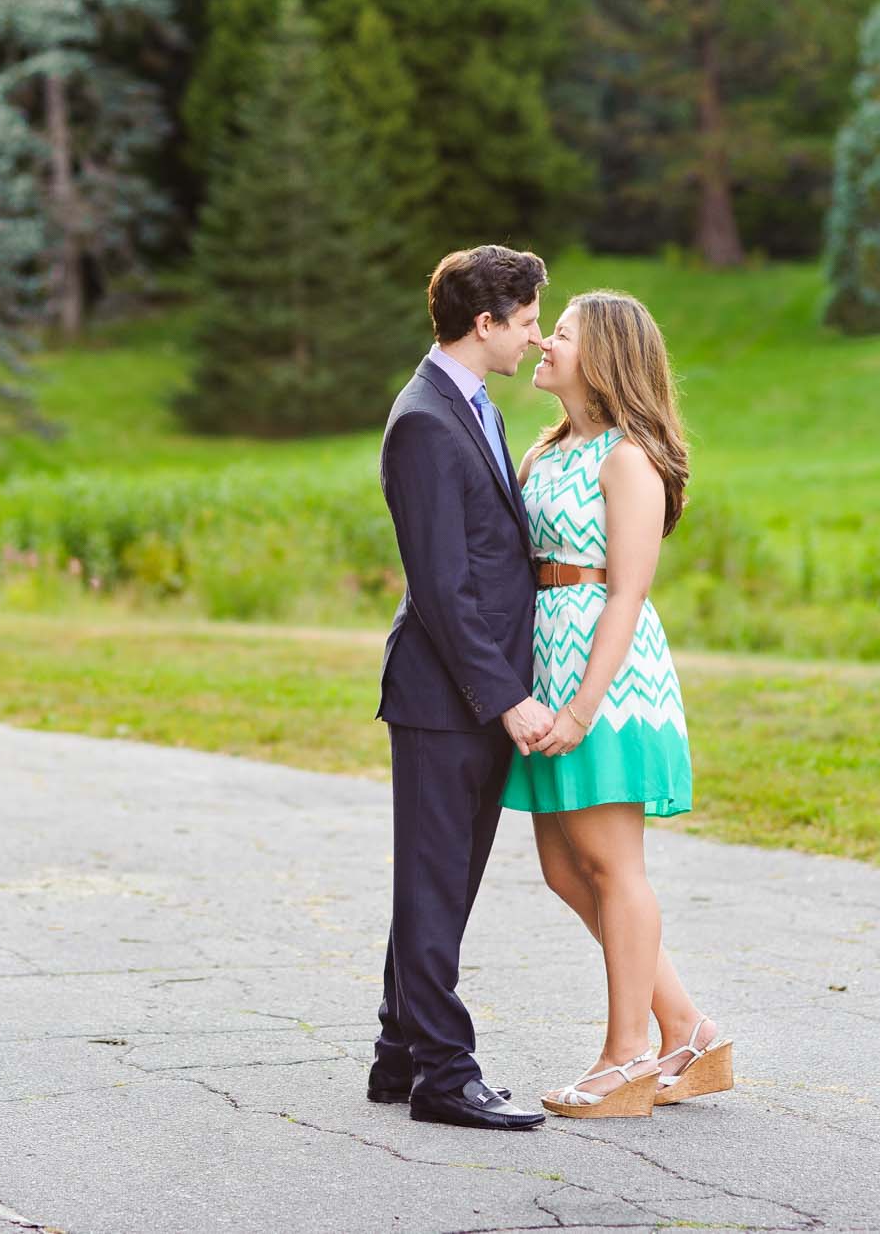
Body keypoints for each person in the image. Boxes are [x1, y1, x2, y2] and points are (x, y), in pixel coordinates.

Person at [502, 290, 731, 1119]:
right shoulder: (547, 448)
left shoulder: (626, 459)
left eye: (559, 333)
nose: (544, 342)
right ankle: (688, 1028)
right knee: (567, 870)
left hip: (606, 671)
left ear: (602, 357)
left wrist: (584, 707)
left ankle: (624, 1054)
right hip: (544, 658)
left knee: (612, 866)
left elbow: (629, 592)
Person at [369, 245, 554, 1130]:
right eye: (525, 322)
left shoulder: (468, 406)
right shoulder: (426, 421)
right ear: (484, 324)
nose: (536, 336)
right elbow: (441, 586)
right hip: (447, 697)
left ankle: (398, 1052)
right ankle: (445, 1072)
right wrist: (505, 696)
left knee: (441, 883)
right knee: (436, 882)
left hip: (467, 692)